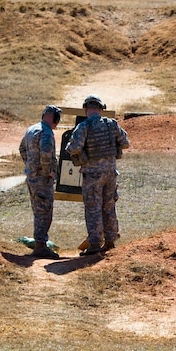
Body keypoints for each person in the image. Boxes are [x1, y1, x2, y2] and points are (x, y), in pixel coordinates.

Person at [66, 95, 130, 256]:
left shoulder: (84, 126)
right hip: (110, 173)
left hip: (93, 175)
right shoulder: (111, 124)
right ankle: (109, 241)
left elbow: (73, 148)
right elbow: (125, 143)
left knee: (93, 208)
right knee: (109, 206)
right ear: (101, 109)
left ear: (86, 109)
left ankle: (95, 243)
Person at [18, 105, 63, 260]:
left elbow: (22, 149)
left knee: (38, 211)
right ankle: (40, 246)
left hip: (32, 177)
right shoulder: (46, 132)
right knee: (44, 212)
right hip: (42, 180)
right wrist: (47, 171)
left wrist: (30, 166)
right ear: (55, 119)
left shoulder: (31, 129)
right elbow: (45, 153)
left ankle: (40, 244)